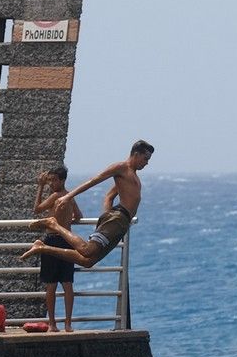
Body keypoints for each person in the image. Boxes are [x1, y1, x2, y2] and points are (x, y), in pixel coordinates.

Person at [20, 140, 153, 268]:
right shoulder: (121, 167)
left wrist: (106, 215)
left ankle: (42, 248)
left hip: (122, 223)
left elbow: (109, 196)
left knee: (87, 261)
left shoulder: (133, 176)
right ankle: (52, 224)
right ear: (136, 154)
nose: (147, 163)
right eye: (145, 159)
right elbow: (93, 181)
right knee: (87, 250)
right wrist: (68, 196)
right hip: (118, 219)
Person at [33, 166, 81, 332]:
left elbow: (37, 209)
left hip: (53, 240)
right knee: (67, 283)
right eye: (49, 180)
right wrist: (67, 221)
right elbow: (79, 216)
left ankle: (52, 323)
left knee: (51, 284)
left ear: (62, 180)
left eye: (54, 180)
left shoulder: (55, 196)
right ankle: (68, 324)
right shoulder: (70, 197)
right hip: (68, 240)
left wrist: (40, 186)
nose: (51, 183)